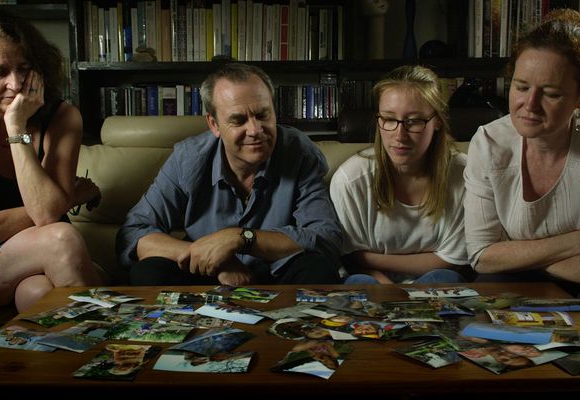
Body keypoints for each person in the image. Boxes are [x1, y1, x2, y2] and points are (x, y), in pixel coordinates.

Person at [116, 62, 342, 286]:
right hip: (208, 276)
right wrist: (214, 256)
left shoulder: (299, 152)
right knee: (148, 271)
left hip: (276, 275)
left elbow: (325, 237)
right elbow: (134, 233)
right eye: (239, 120)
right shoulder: (187, 159)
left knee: (318, 269)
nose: (255, 130)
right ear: (214, 125)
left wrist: (241, 238)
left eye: (263, 115)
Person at [0, 9, 102, 312]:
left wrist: (15, 128)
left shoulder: (62, 117)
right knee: (61, 238)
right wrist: (70, 195)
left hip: (45, 258)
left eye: (24, 68)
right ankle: (117, 349)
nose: (17, 84)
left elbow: (47, 212)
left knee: (36, 293)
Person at [464, 9, 580, 296]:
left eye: (550, 93)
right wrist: (575, 243)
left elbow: (498, 256)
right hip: (509, 284)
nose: (530, 104)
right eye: (521, 86)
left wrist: (521, 258)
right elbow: (481, 256)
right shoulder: (489, 142)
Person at [330, 65, 469, 285]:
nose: (399, 135)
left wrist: (373, 259)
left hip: (438, 282)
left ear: (437, 121)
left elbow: (451, 261)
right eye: (389, 119)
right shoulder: (351, 180)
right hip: (370, 280)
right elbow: (352, 259)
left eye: (413, 121)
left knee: (445, 278)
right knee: (360, 282)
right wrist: (390, 292)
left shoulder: (464, 176)